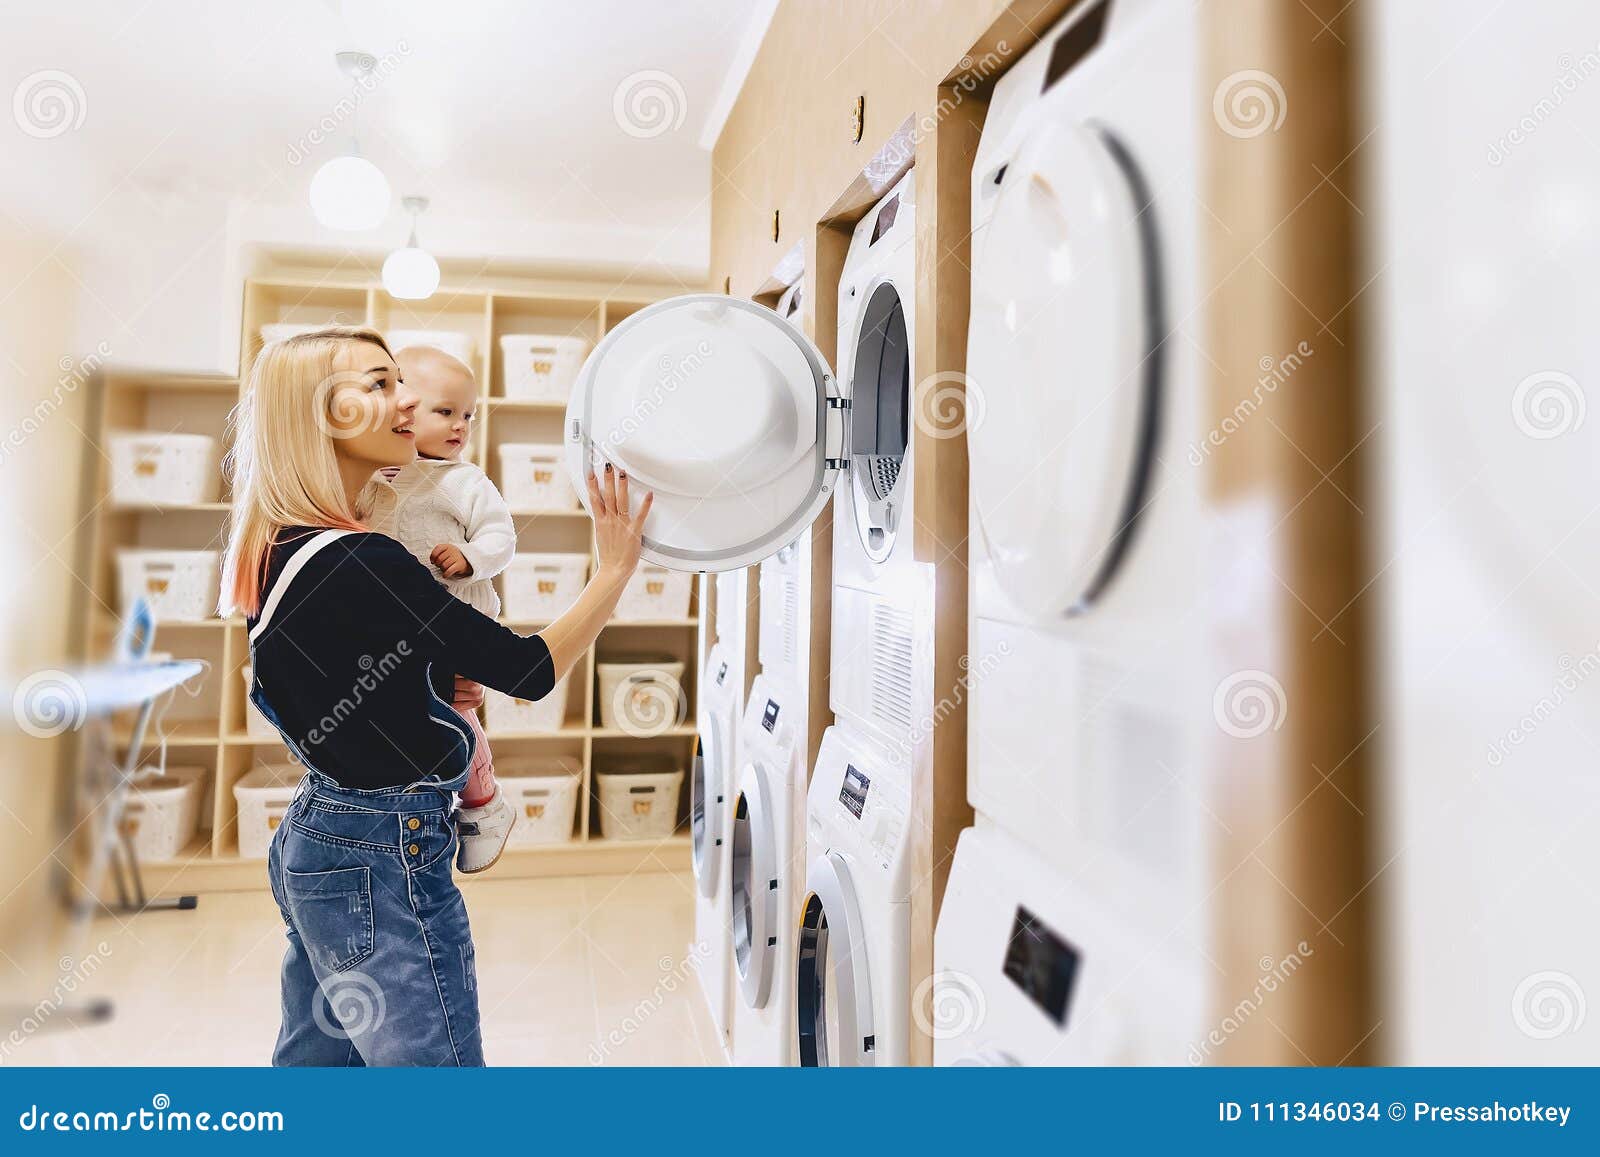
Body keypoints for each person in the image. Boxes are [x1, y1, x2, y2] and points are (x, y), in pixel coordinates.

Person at [220, 326, 651, 1066]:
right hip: (383, 850)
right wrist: (613, 570)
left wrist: (412, 675)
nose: (410, 399)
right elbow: (527, 669)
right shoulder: (366, 557)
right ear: (322, 415)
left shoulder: (280, 544)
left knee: (318, 1073)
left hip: (319, 835)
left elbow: (327, 674)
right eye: (381, 383)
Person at [367, 344, 517, 873]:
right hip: (398, 629)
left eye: (468, 416)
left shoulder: (467, 481)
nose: (460, 426)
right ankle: (432, 800)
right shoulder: (381, 472)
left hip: (458, 618)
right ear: (404, 410)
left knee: (455, 710)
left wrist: (472, 557)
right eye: (445, 412)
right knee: (414, 715)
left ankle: (482, 804)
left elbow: (502, 537)